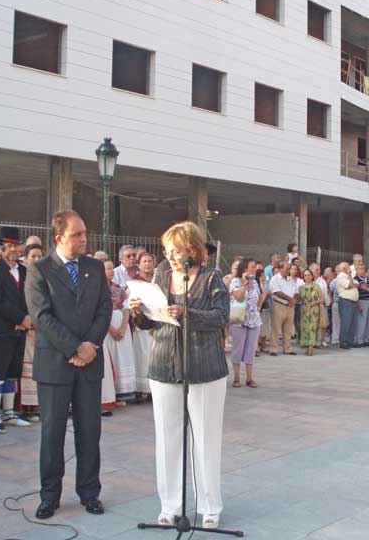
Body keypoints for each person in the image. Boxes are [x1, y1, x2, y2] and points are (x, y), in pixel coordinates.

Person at [130, 221, 228, 529]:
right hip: (164, 365)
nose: (170, 256)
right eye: (167, 251)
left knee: (205, 438)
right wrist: (139, 311)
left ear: (193, 249)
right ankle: (169, 504)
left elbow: (221, 317)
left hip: (204, 367)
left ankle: (209, 505)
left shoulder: (211, 278)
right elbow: (150, 323)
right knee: (167, 437)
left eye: (176, 250)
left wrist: (188, 313)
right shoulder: (160, 276)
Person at [25, 210, 111, 520]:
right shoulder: (39, 270)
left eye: (85, 233)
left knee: (90, 430)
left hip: (89, 362)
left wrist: (89, 346)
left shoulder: (94, 267)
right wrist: (74, 347)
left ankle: (90, 492)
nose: (84, 239)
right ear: (59, 238)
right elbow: (41, 316)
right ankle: (50, 495)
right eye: (77, 235)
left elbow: (104, 309)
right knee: (53, 433)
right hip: (55, 363)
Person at [0, 227, 33, 433]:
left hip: (20, 330)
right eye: (8, 246)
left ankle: (9, 412)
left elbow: (30, 297)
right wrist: (20, 318)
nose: (13, 249)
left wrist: (27, 319)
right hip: (1, 330)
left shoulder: (24, 271)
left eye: (15, 245)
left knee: (13, 372)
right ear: (1, 248)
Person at [17, 243, 44, 421]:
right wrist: (25, 319)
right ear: (26, 258)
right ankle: (24, 407)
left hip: (42, 329)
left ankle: (37, 407)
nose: (36, 259)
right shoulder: (21, 276)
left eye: (39, 256)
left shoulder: (46, 277)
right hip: (25, 328)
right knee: (25, 369)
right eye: (33, 256)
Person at [229, 257, 266, 387]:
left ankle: (250, 378)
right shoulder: (235, 281)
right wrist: (244, 285)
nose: (255, 269)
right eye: (252, 267)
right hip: (239, 319)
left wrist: (259, 306)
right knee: (238, 348)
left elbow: (259, 298)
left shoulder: (255, 282)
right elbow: (238, 297)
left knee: (251, 349)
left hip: (254, 319)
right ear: (245, 269)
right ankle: (236, 377)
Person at [100, 259, 125, 415]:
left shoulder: (111, 288)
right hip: (93, 332)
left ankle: (103, 402)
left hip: (98, 333)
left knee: (103, 370)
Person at [131, 253, 157, 400]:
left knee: (154, 357)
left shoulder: (157, 280)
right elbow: (131, 303)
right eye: (144, 261)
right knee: (141, 357)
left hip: (156, 325)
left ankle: (153, 390)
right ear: (139, 264)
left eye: (150, 261)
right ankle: (141, 389)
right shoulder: (135, 282)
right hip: (141, 325)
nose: (147, 264)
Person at [268, 262, 298, 356]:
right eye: (287, 269)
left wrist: (294, 299)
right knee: (276, 328)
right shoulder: (275, 279)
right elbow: (276, 292)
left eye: (289, 269)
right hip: (279, 305)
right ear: (280, 269)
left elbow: (296, 291)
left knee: (288, 329)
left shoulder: (290, 279)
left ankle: (287, 348)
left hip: (290, 306)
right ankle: (273, 349)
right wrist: (290, 299)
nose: (288, 271)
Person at [299, 269, 324, 356]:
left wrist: (314, 302)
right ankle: (307, 346)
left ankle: (311, 347)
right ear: (303, 277)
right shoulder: (301, 288)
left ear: (312, 276)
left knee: (312, 328)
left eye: (309, 275)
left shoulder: (316, 286)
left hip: (314, 310)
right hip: (304, 310)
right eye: (305, 275)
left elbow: (322, 299)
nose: (307, 277)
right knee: (305, 328)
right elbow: (299, 299)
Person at [336, 262, 359, 349]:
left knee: (352, 323)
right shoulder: (341, 276)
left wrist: (351, 279)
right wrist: (350, 276)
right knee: (346, 322)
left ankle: (350, 341)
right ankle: (343, 342)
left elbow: (357, 284)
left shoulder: (349, 277)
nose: (350, 268)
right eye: (348, 267)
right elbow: (351, 285)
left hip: (353, 302)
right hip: (346, 302)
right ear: (344, 268)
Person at [353, 263, 369, 347]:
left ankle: (365, 339)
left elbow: (367, 288)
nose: (361, 270)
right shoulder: (356, 279)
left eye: (363, 268)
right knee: (361, 321)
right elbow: (356, 292)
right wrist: (359, 304)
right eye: (359, 269)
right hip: (362, 301)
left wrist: (368, 289)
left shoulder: (367, 279)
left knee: (368, 321)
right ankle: (359, 340)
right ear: (356, 271)